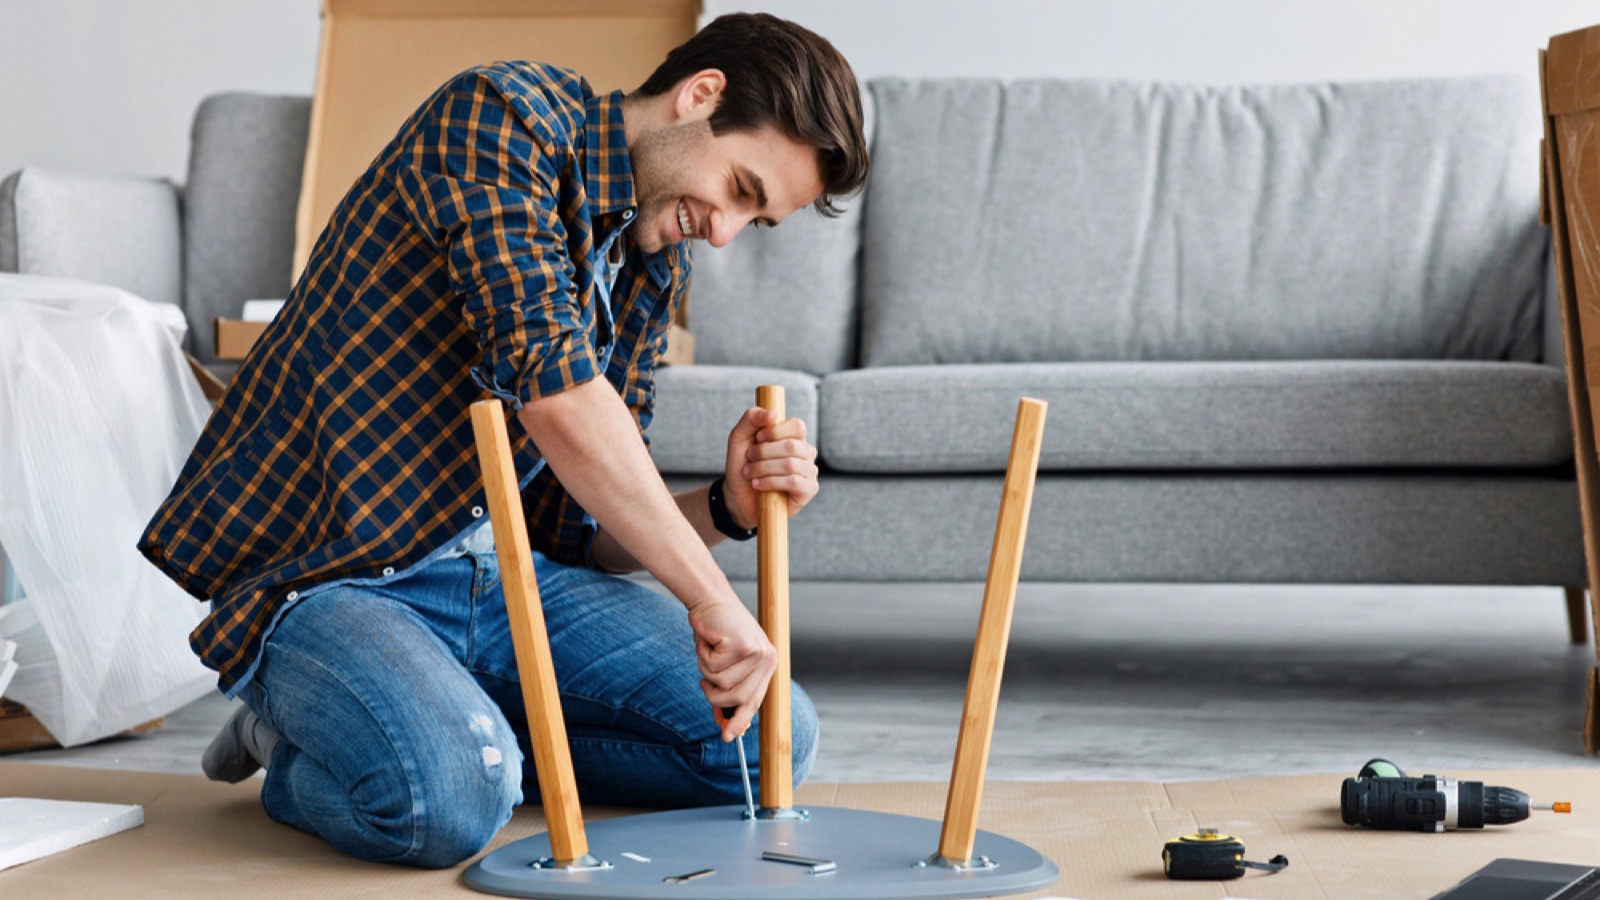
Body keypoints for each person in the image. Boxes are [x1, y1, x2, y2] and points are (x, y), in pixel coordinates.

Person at [138, 12, 869, 868]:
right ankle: (290, 743)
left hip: (506, 577)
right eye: (741, 189)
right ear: (699, 97)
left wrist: (725, 507)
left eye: (757, 220)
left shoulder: (649, 262)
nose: (724, 231)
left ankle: (451, 725)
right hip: (330, 577)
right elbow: (554, 393)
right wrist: (711, 597)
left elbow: (573, 531)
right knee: (448, 806)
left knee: (770, 738)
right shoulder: (502, 117)